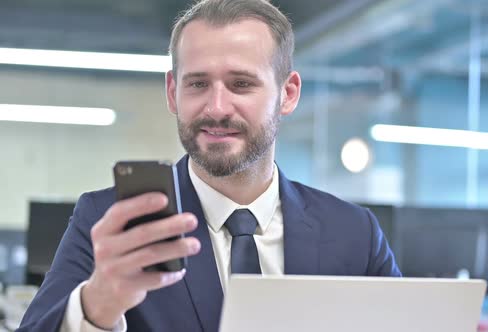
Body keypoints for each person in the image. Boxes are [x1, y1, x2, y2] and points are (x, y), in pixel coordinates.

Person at [18, 0, 401, 331]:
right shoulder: (108, 221)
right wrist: (97, 305)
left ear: (288, 93)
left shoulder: (355, 234)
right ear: (173, 92)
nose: (216, 108)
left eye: (241, 84)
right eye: (198, 84)